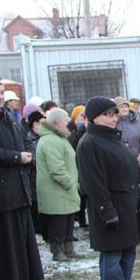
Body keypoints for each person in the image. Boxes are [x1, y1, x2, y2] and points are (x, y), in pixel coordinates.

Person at [76, 97, 140, 280]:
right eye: (109, 114)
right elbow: (93, 183)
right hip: (110, 211)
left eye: (115, 113)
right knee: (113, 260)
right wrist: (107, 211)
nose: (114, 117)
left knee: (127, 257)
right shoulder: (89, 143)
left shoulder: (114, 139)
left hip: (127, 208)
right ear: (94, 117)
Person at [0, 79, 44, 280]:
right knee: (8, 237)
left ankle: (28, 277)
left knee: (23, 234)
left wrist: (27, 154)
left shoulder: (8, 117)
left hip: (19, 185)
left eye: (1, 92)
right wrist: (17, 157)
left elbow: (23, 140)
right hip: (3, 187)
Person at [36, 108, 81, 261]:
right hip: (57, 190)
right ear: (57, 122)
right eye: (65, 121)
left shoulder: (58, 138)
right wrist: (69, 183)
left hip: (65, 190)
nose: (67, 124)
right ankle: (57, 251)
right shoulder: (50, 140)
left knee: (68, 220)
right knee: (58, 222)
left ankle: (68, 248)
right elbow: (56, 168)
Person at [23, 109, 45, 236]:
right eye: (37, 123)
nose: (40, 126)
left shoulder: (44, 138)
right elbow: (31, 156)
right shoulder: (29, 139)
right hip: (33, 175)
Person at [115, 96, 140, 165]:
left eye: (126, 106)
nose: (124, 109)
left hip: (137, 161)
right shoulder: (112, 123)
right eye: (121, 107)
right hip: (118, 163)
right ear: (116, 109)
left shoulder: (137, 121)